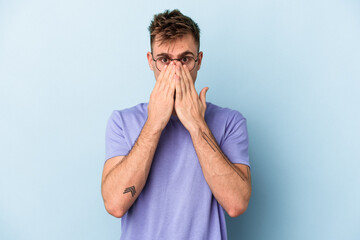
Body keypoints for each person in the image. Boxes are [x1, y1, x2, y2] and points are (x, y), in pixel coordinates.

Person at [101, 9, 251, 240]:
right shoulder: (122, 122)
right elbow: (115, 204)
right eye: (164, 60)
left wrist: (196, 125)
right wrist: (153, 124)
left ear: (198, 61)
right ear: (151, 62)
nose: (176, 72)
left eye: (185, 59)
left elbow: (236, 204)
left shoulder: (230, 122)